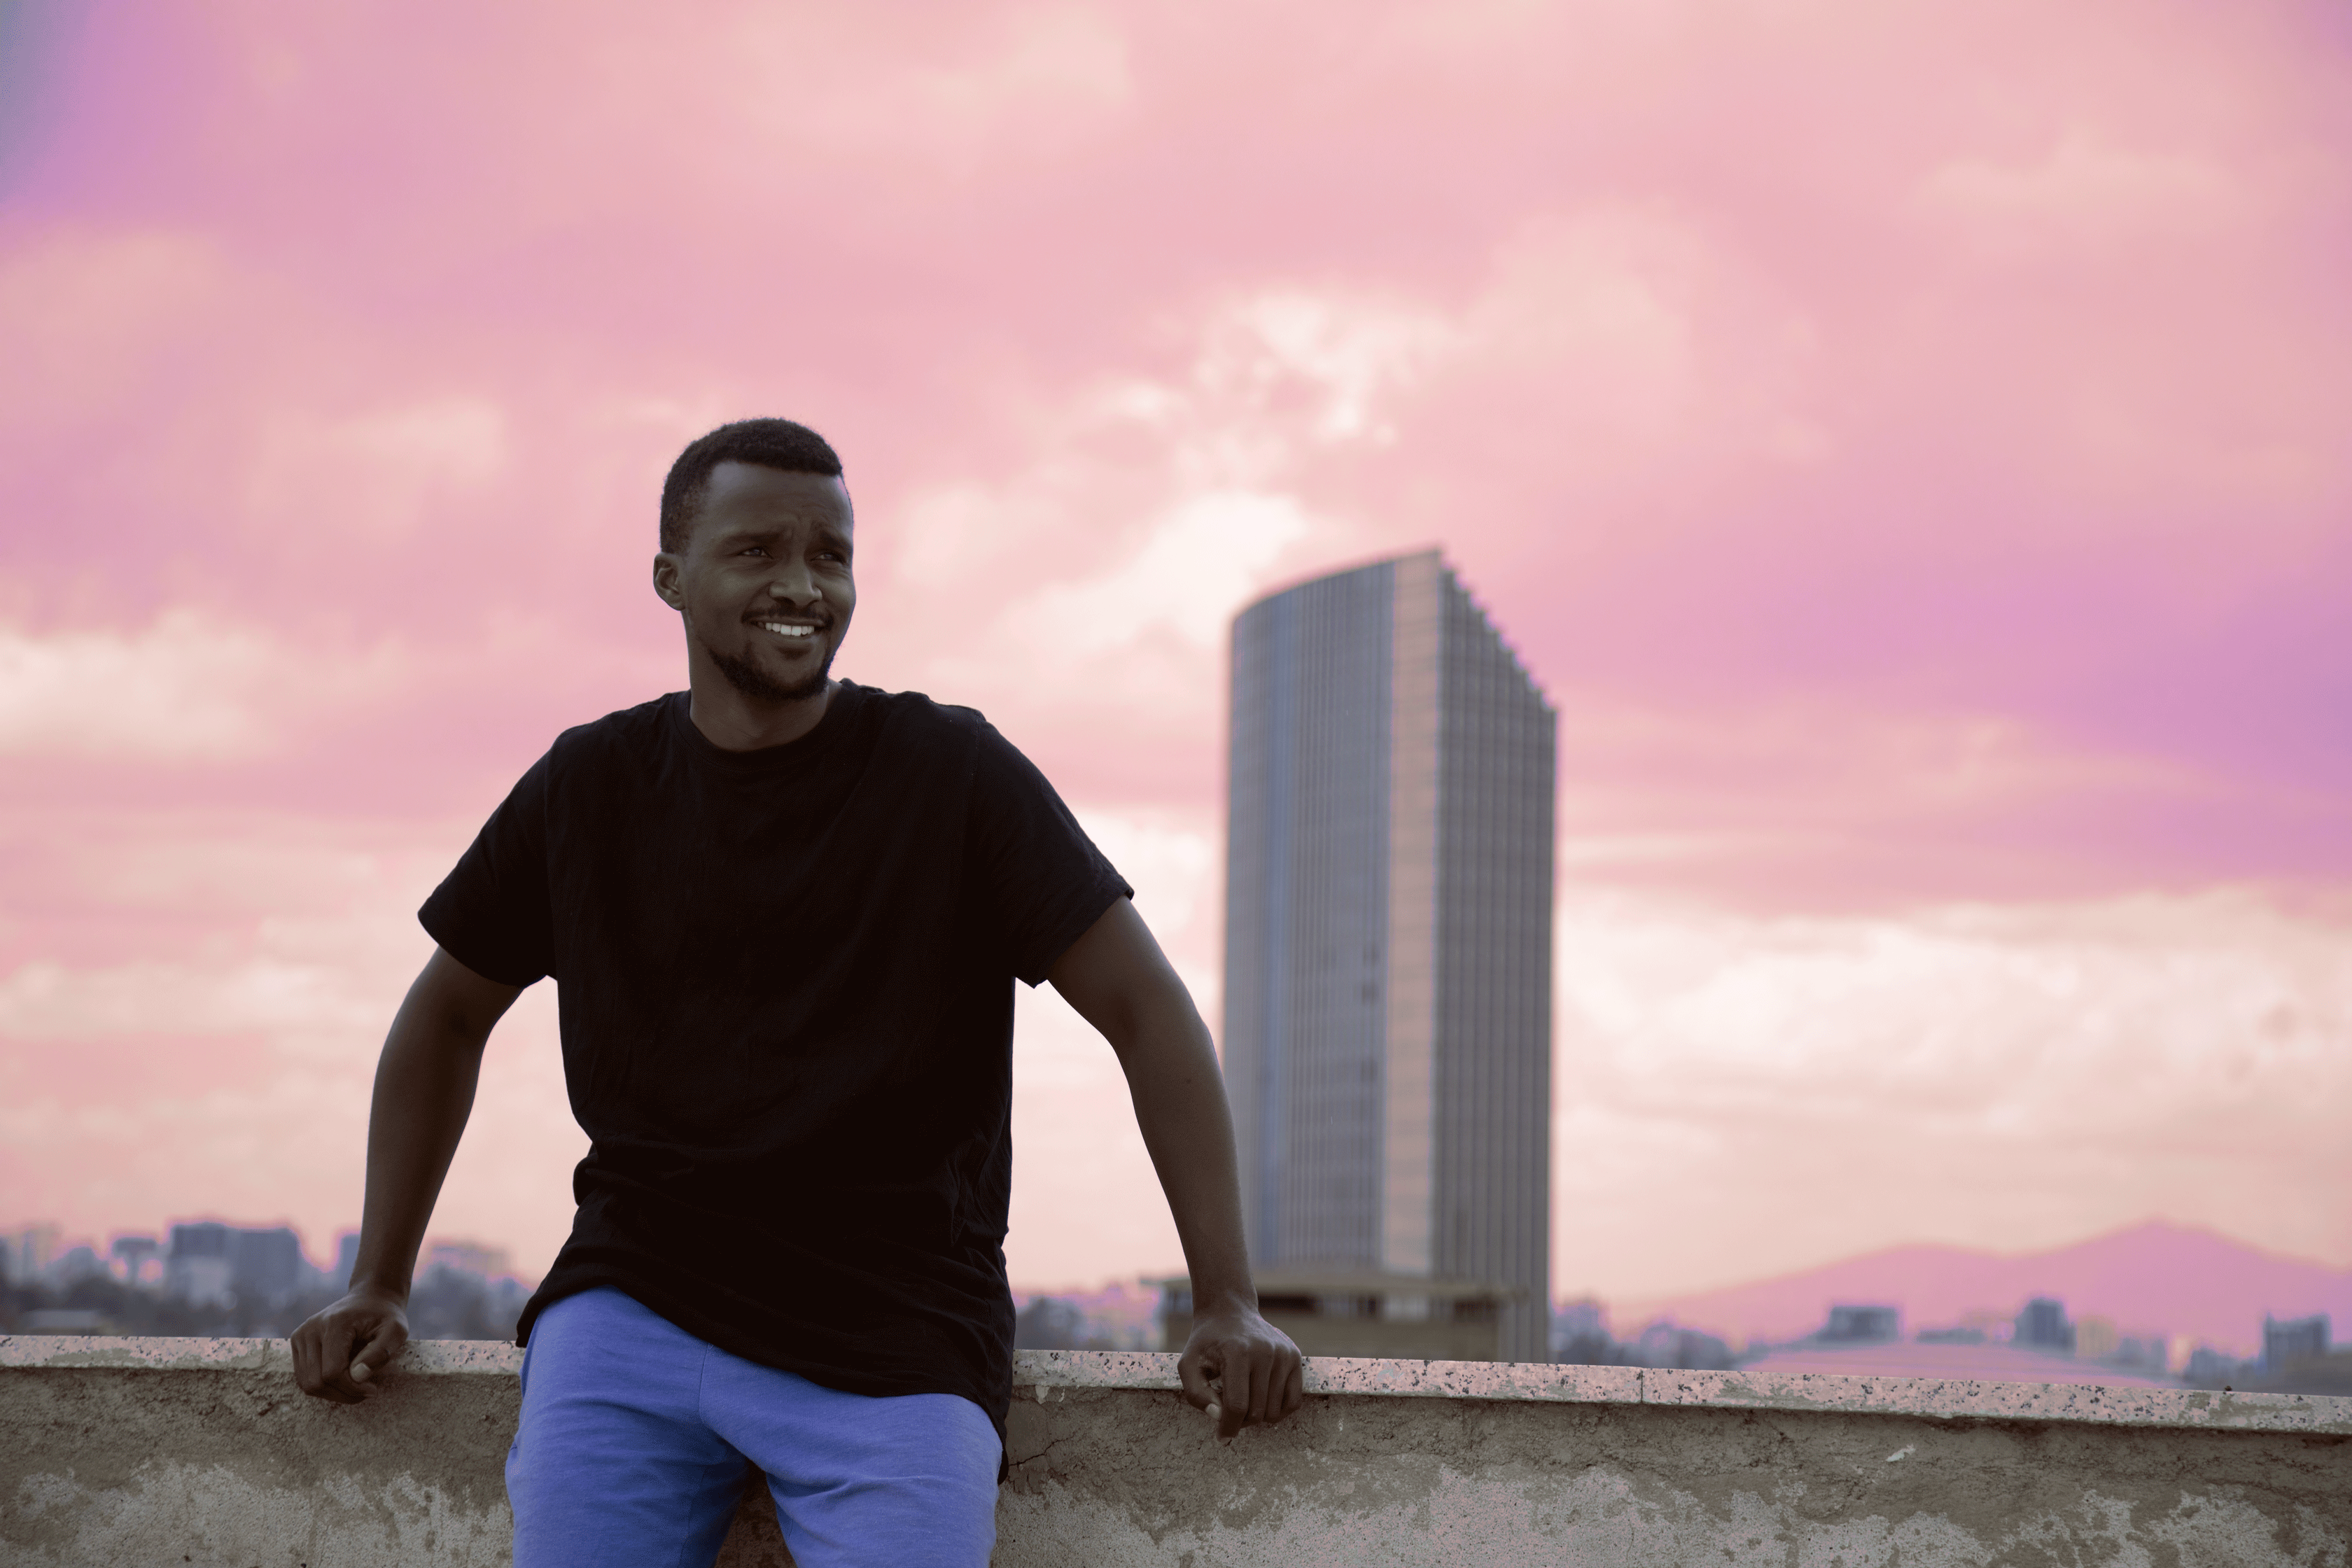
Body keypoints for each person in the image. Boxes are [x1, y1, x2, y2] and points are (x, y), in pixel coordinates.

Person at [290, 418, 1303, 1567]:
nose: (803, 584)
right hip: (633, 1311)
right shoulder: (592, 785)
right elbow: (443, 1015)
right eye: (758, 550)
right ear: (671, 578)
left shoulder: (953, 775)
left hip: (899, 1339)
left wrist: (1226, 1297)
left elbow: (1146, 1010)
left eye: (832, 554)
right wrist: (380, 1278)